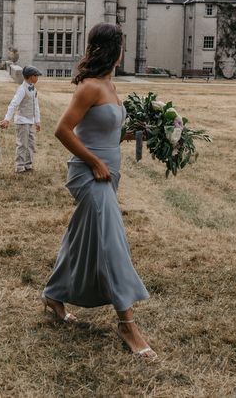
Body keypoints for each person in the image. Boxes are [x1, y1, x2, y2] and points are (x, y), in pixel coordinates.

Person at [41, 23, 157, 360]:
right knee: (111, 241)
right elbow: (62, 130)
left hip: (109, 173)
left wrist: (131, 135)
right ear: (115, 49)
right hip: (89, 174)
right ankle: (127, 323)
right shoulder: (90, 87)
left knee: (82, 236)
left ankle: (53, 294)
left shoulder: (110, 85)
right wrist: (93, 162)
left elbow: (105, 132)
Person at [1, 65, 41, 173]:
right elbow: (13, 104)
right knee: (22, 143)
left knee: (31, 143)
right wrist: (7, 119)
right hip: (22, 120)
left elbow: (35, 105)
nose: (37, 78)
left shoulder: (33, 89)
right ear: (30, 77)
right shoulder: (22, 89)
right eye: (36, 76)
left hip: (30, 120)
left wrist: (37, 121)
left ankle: (28, 164)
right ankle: (19, 165)